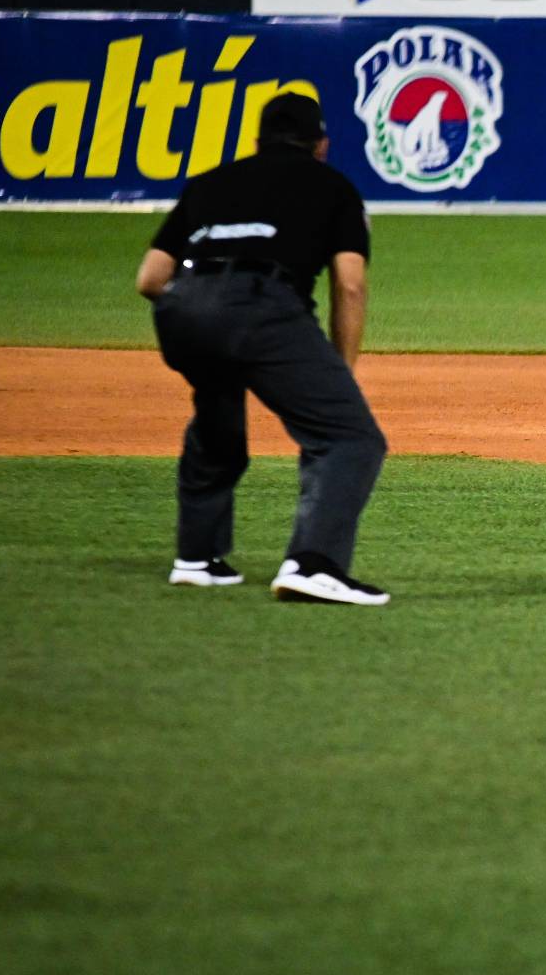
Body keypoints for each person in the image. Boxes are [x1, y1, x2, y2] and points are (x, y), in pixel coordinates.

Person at [134, 91, 391, 606]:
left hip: (182, 311)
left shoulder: (210, 183)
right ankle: (315, 564)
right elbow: (350, 285)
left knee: (217, 411)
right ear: (321, 144)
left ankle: (197, 558)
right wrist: (339, 371)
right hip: (262, 304)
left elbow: (149, 279)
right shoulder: (334, 186)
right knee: (349, 438)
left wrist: (204, 308)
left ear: (256, 141)